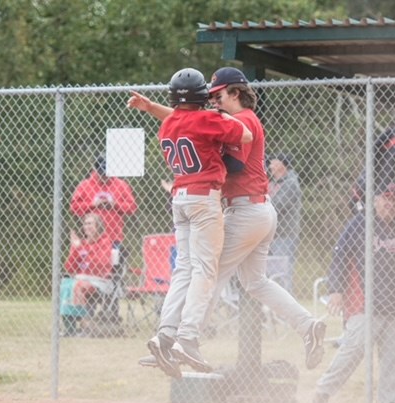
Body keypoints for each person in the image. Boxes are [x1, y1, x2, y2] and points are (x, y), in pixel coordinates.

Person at [128, 66, 326, 378]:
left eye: (218, 96)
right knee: (254, 282)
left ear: (235, 92)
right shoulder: (225, 119)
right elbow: (191, 120)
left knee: (208, 273)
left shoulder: (243, 119)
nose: (213, 102)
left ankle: (183, 340)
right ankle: (307, 325)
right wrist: (154, 108)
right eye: (208, 98)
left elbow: (207, 134)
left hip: (246, 210)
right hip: (254, 210)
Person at [130, 67, 253, 377]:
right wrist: (222, 113)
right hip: (203, 199)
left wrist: (151, 107)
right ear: (201, 96)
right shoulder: (208, 119)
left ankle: (164, 334)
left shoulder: (169, 123)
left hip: (179, 198)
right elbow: (246, 134)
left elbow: (181, 117)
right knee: (205, 269)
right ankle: (188, 337)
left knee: (183, 268)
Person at [313, 180, 395, 403]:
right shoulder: (360, 224)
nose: (390, 203)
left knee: (394, 357)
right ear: (375, 200)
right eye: (385, 198)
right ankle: (323, 391)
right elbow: (339, 256)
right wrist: (336, 290)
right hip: (364, 302)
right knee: (352, 350)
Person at [70, 154, 137, 322]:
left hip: (114, 240)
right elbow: (74, 207)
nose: (105, 176)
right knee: (90, 273)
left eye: (108, 173)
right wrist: (93, 205)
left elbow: (132, 207)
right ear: (95, 170)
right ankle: (86, 315)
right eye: (101, 173)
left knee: (112, 277)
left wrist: (115, 205)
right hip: (91, 242)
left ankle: (110, 315)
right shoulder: (86, 185)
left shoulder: (120, 185)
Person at [61, 213, 116, 336]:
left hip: (101, 281)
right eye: (85, 224)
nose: (87, 226)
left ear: (98, 226)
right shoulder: (82, 243)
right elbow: (69, 268)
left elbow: (100, 266)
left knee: (78, 286)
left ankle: (85, 327)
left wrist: (81, 248)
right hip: (81, 279)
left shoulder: (105, 241)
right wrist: (75, 249)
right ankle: (70, 329)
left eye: (90, 223)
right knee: (65, 284)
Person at [267, 152, 302, 294]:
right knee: (269, 273)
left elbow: (276, 205)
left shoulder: (291, 183)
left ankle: (287, 309)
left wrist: (262, 205)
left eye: (274, 162)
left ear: (282, 165)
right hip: (270, 235)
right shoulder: (272, 183)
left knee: (283, 273)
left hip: (285, 235)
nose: (270, 165)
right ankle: (273, 308)